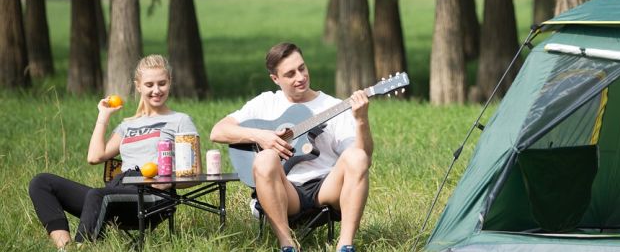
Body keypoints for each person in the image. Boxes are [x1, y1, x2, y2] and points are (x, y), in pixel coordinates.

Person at [210, 42, 372, 252]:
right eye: (290, 74)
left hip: (325, 187)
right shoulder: (266, 103)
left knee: (357, 158)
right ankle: (287, 245)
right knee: (265, 157)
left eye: (302, 68)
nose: (300, 77)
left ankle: (345, 245)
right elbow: (218, 131)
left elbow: (363, 158)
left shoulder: (332, 105)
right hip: (286, 190)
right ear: (275, 79)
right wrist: (261, 136)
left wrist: (361, 120)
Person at [28, 55, 199, 250]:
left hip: (153, 197)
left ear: (170, 82)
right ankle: (65, 247)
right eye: (149, 84)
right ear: (138, 86)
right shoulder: (128, 125)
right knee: (41, 182)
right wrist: (103, 116)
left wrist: (171, 181)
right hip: (118, 188)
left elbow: (194, 174)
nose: (156, 90)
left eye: (162, 83)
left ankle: (83, 247)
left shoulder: (180, 120)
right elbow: (94, 157)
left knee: (98, 195)